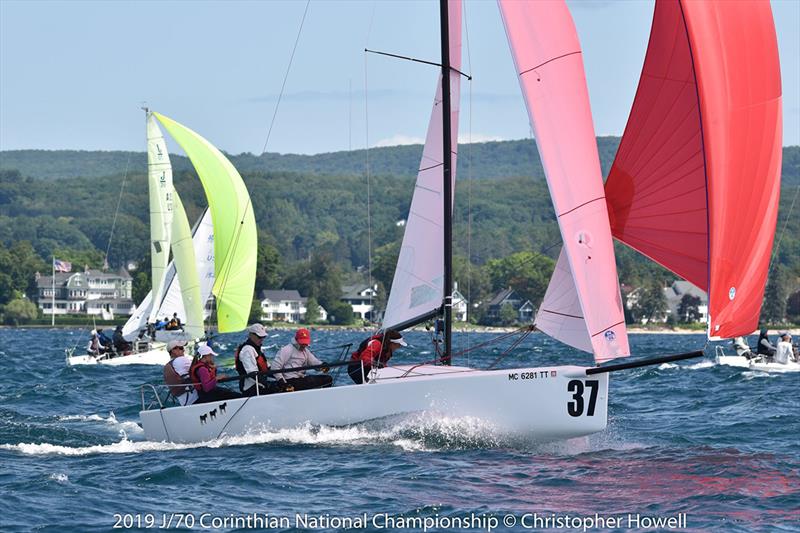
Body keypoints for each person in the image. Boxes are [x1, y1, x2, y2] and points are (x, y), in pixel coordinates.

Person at [235, 323, 288, 396]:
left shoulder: (258, 348)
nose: (262, 339)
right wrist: (268, 385)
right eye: (259, 337)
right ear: (251, 335)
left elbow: (268, 368)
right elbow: (252, 373)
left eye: (263, 337)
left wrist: (280, 379)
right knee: (277, 389)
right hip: (250, 388)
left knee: (284, 385)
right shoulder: (247, 350)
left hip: (260, 384)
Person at [163, 340, 197, 406]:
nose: (183, 350)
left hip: (184, 401)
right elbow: (198, 371)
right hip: (196, 399)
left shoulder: (170, 364)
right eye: (181, 348)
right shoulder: (181, 360)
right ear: (173, 350)